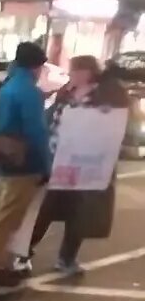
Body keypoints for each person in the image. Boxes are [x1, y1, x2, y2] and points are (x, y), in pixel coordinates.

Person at [27, 55, 128, 275]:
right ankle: (24, 251)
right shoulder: (67, 92)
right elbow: (52, 118)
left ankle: (66, 257)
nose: (71, 75)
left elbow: (114, 122)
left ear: (88, 72)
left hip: (89, 165)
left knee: (79, 213)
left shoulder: (105, 93)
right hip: (61, 160)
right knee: (45, 209)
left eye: (74, 71)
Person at [0, 41, 51, 284]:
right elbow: (36, 132)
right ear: (37, 66)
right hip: (22, 162)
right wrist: (45, 165)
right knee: (8, 217)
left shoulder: (6, 85)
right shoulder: (28, 91)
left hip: (2, 159)